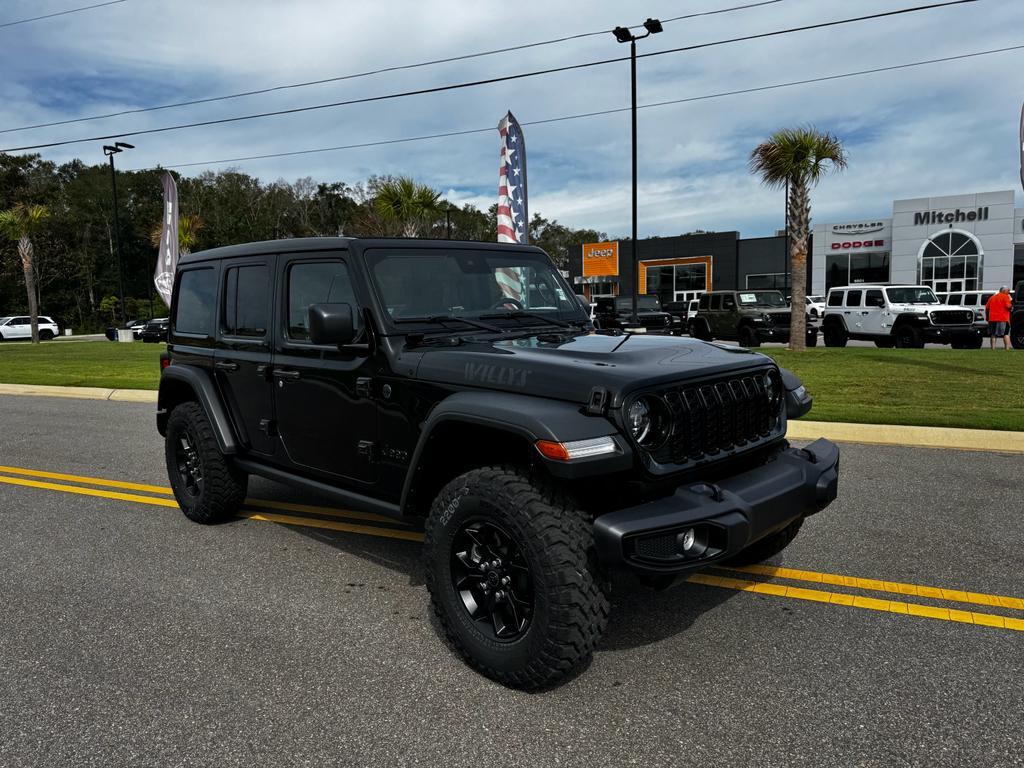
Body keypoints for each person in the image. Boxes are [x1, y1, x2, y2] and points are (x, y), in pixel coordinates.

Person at [984, 286, 1013, 350]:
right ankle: (1007, 349)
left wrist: (987, 317)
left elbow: (987, 308)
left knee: (993, 334)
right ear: (1004, 291)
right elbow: (1009, 307)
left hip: (992, 319)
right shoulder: (1006, 297)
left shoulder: (992, 297)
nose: (1009, 292)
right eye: (1008, 291)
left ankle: (993, 349)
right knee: (1006, 334)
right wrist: (1011, 301)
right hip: (1003, 319)